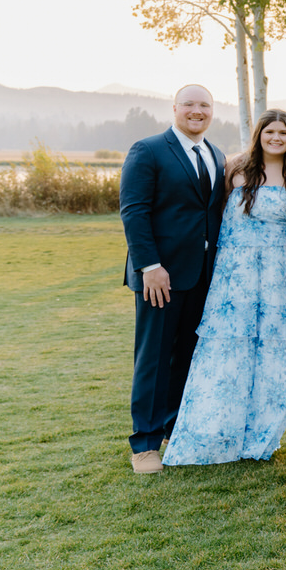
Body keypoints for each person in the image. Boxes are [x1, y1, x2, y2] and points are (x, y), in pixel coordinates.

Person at [164, 109, 286, 466]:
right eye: (269, 132)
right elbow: (209, 214)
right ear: (259, 134)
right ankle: (213, 433)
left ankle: (260, 437)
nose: (276, 138)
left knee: (272, 350)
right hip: (236, 275)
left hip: (280, 276)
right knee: (226, 348)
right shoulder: (235, 167)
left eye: (283, 133)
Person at [119, 83, 227, 475]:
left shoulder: (216, 154)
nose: (197, 111)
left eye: (204, 105)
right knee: (154, 358)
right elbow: (133, 210)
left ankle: (173, 432)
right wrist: (149, 265)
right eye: (190, 104)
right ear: (175, 108)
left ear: (212, 111)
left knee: (187, 357)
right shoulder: (147, 150)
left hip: (203, 276)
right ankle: (145, 445)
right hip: (159, 277)